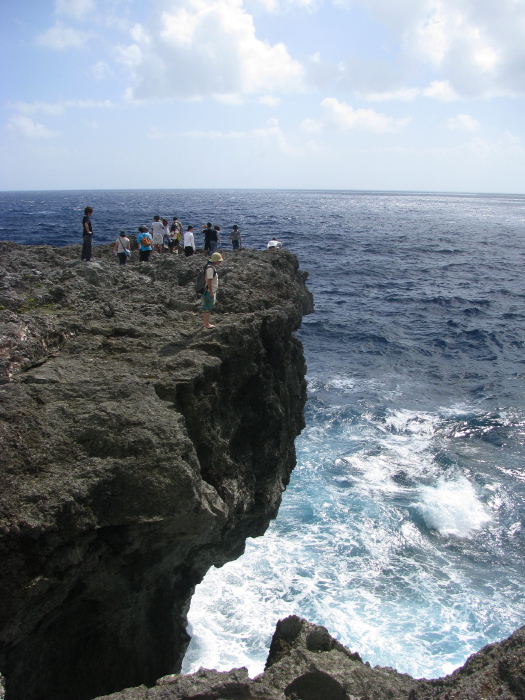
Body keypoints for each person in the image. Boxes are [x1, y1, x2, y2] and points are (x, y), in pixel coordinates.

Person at [202, 252, 223, 329]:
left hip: (207, 291)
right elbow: (209, 281)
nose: (220, 262)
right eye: (219, 261)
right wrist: (211, 292)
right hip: (208, 291)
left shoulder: (210, 267)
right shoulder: (211, 269)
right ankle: (206, 324)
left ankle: (205, 323)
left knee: (205, 308)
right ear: (215, 260)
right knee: (208, 308)